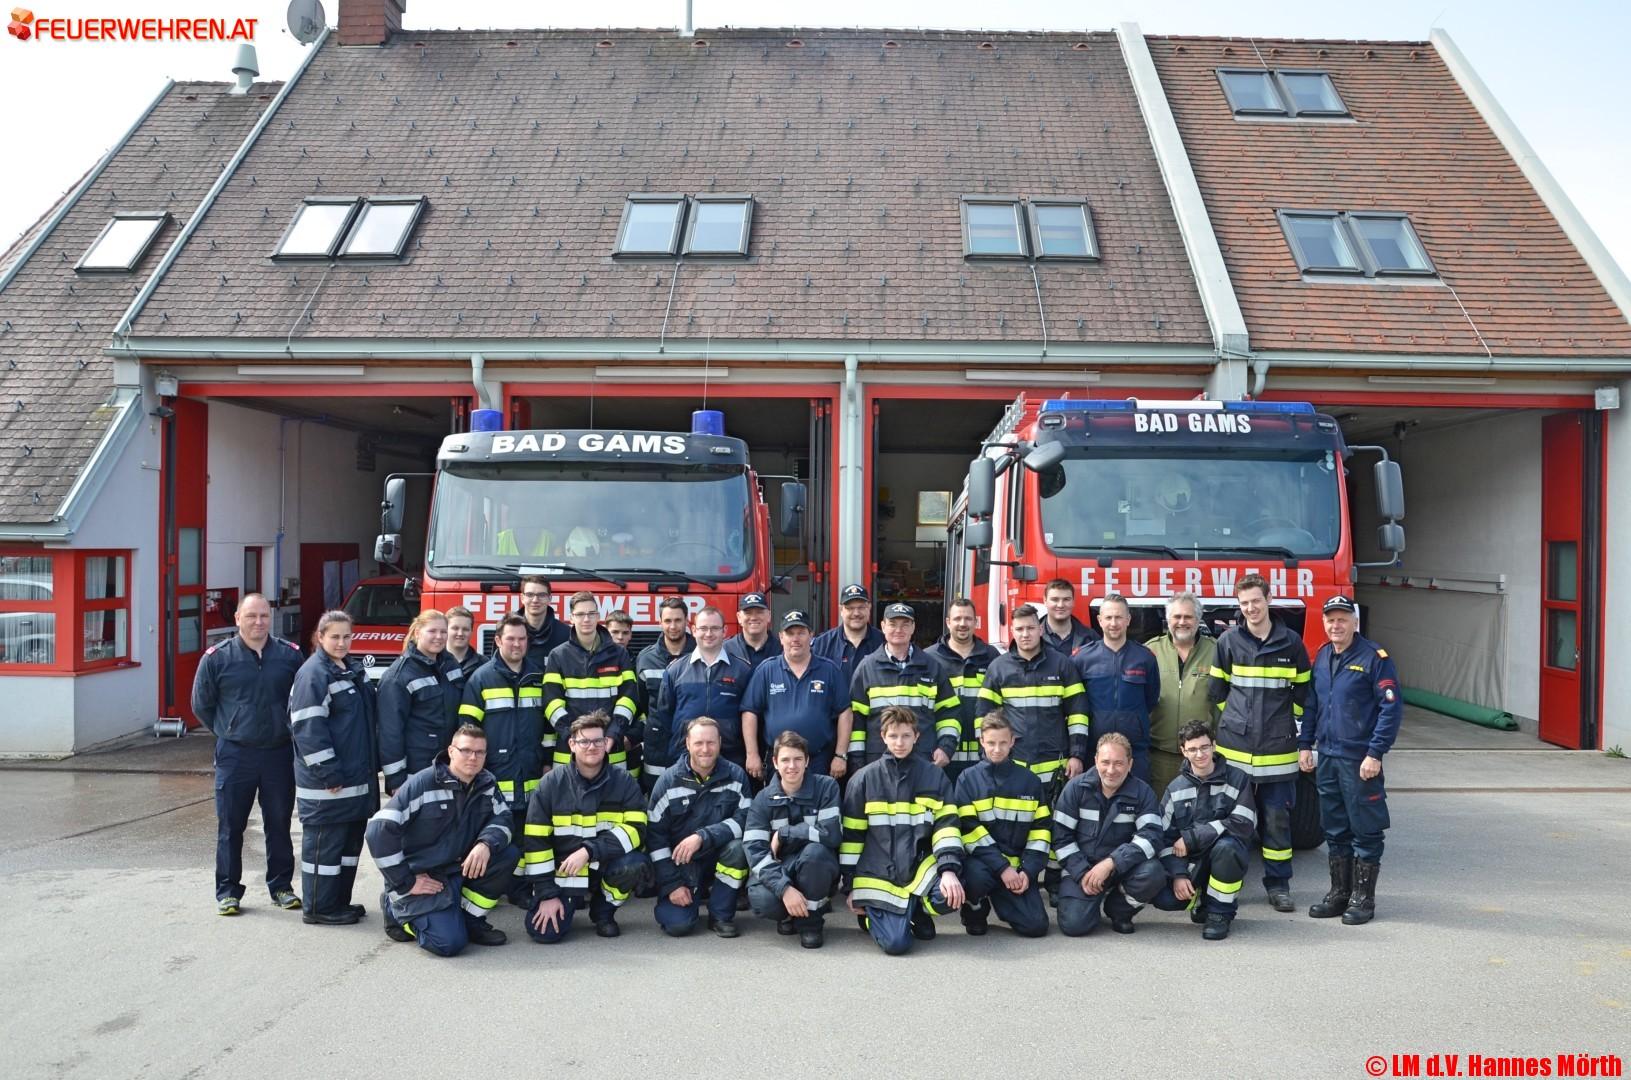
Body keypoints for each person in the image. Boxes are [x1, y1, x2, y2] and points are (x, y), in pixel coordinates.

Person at [191, 592, 304, 916]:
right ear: (238, 618)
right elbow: (202, 705)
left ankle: (281, 887)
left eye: (264, 616)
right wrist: (230, 729)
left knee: (279, 824)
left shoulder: (289, 656)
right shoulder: (217, 658)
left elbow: (301, 699)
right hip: (235, 755)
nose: (258, 622)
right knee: (230, 826)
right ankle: (228, 892)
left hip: (278, 754)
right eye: (251, 616)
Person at [1207, 573, 1311, 913]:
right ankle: (1226, 883)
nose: (1250, 608)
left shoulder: (1291, 643)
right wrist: (1236, 719)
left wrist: (1286, 724)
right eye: (1244, 603)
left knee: (1277, 821)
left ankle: (1278, 885)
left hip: (1278, 750)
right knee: (1233, 821)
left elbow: (1303, 694)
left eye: (1255, 600)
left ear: (1269, 599)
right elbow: (1217, 691)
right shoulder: (1228, 642)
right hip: (1235, 751)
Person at [365, 724, 517, 954]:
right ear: (451, 751)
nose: (473, 757)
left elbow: (504, 818)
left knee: (507, 853)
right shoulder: (423, 783)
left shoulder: (486, 782)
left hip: (458, 867)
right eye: (466, 750)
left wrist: (485, 843)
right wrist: (406, 881)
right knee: (448, 943)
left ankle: (470, 919)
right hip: (424, 875)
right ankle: (394, 908)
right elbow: (378, 831)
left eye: (480, 752)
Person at [1299, 595, 1403, 926]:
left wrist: (1376, 753)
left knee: (1366, 829)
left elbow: (1391, 708)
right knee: (1335, 828)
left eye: (1343, 618)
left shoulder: (1375, 658)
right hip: (1328, 756)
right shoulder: (1323, 655)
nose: (1336, 624)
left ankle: (1363, 898)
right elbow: (1313, 704)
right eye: (1330, 619)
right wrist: (1305, 744)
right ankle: (1339, 893)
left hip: (1360, 760)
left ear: (1355, 622)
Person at [840, 706, 965, 955]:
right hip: (877, 874)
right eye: (894, 736)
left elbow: (947, 826)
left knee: (952, 893)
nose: (900, 742)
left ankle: (913, 909)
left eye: (906, 736)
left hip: (918, 869)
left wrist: (949, 871)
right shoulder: (863, 779)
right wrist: (851, 886)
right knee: (897, 945)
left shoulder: (934, 777)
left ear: (916, 737)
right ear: (883, 736)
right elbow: (852, 839)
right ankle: (871, 917)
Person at [522, 711, 652, 942]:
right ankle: (569, 900)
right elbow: (536, 843)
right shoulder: (550, 784)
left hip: (604, 862)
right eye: (584, 741)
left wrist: (589, 851)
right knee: (544, 934)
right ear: (571, 744)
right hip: (565, 871)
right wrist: (546, 894)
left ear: (606, 743)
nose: (592, 747)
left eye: (598, 741)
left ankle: (603, 912)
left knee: (635, 864)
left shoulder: (623, 781)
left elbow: (636, 829)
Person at [288, 610, 380, 926]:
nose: (341, 643)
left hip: (353, 781)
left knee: (346, 848)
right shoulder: (314, 674)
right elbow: (308, 728)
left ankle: (338, 902)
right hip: (329, 783)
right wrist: (328, 771)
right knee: (324, 850)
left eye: (346, 636)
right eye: (335, 637)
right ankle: (318, 907)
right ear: (320, 637)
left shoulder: (349, 670)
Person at [458, 614, 548, 899]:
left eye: (522, 638)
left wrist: (546, 761)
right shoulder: (481, 679)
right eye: (510, 638)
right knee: (495, 829)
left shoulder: (538, 676)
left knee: (527, 832)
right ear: (497, 641)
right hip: (496, 773)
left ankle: (520, 888)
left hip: (532, 771)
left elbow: (547, 726)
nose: (517, 644)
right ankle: (494, 885)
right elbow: (468, 730)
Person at [646, 717, 754, 938]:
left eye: (711, 742)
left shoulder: (736, 776)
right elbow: (655, 839)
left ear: (720, 743)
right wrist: (672, 884)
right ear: (687, 743)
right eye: (698, 743)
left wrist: (703, 837)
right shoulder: (668, 782)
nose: (705, 749)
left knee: (738, 848)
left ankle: (721, 914)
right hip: (682, 865)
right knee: (678, 926)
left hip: (720, 855)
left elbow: (746, 820)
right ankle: (687, 898)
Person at [1150, 721, 1257, 940]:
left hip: (1224, 853)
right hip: (1192, 861)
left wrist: (1192, 838)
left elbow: (1244, 822)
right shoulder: (1176, 788)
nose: (1200, 754)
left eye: (1204, 747)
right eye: (1192, 749)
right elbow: (1164, 837)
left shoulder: (1238, 778)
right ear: (1183, 752)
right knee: (1166, 899)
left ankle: (1220, 913)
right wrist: (1179, 875)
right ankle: (1202, 900)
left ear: (1214, 746)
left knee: (1227, 849)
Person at [1051, 733, 1165, 936]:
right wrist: (1083, 873)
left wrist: (1111, 863)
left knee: (1153, 873)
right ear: (1095, 761)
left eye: (1119, 763)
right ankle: (1088, 904)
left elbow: (1151, 837)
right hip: (1082, 869)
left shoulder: (1142, 793)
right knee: (1075, 926)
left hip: (1122, 868)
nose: (1111, 770)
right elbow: (1060, 838)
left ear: (1130, 764)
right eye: (1105, 762)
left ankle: (1119, 911)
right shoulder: (1075, 789)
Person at [952, 712, 1050, 938]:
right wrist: (1002, 868)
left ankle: (1002, 897)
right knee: (974, 877)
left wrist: (1029, 871)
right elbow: (969, 831)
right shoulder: (967, 779)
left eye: (1003, 743)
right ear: (982, 742)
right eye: (992, 743)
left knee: (1036, 927)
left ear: (1013, 741)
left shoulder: (1030, 781)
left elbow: (1041, 831)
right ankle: (975, 908)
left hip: (1017, 871)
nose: (997, 749)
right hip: (982, 865)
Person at [745, 731, 843, 948]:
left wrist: (785, 833)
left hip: (814, 867)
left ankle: (811, 923)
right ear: (775, 763)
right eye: (785, 760)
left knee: (815, 853)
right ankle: (790, 915)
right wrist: (784, 889)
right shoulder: (763, 799)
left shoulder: (826, 787)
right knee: (763, 900)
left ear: (807, 761)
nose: (792, 766)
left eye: (798, 759)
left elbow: (832, 835)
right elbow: (755, 851)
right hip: (780, 869)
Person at [847, 603, 960, 773]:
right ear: (883, 626)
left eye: (905, 624)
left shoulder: (932, 667)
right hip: (877, 763)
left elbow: (949, 713)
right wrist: (858, 764)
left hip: (924, 761)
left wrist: (946, 748)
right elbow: (856, 721)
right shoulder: (867, 668)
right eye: (893, 624)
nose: (898, 630)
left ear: (913, 627)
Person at [742, 610, 851, 782]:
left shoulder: (829, 670)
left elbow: (845, 712)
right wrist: (752, 754)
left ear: (811, 635)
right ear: (780, 637)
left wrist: (840, 755)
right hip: (779, 761)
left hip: (818, 760)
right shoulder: (766, 670)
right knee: (779, 807)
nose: (795, 638)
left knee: (818, 807)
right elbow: (750, 713)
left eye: (801, 633)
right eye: (790, 633)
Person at [646, 605, 754, 772]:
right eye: (703, 628)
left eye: (715, 628)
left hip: (730, 758)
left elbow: (750, 715)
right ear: (694, 630)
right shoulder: (675, 670)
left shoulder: (742, 670)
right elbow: (664, 714)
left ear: (724, 631)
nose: (709, 634)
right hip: (683, 759)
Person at [543, 591, 638, 772]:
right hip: (569, 752)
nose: (586, 619)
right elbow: (551, 703)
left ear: (598, 616)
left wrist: (612, 735)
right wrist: (574, 739)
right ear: (571, 618)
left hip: (611, 750)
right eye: (580, 614)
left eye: (591, 613)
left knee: (612, 800)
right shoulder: (558, 655)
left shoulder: (619, 654)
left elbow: (629, 699)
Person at [1072, 593, 1161, 784]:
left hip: (1135, 751)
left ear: (1128, 620)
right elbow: (1074, 704)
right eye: (1109, 617)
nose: (1114, 623)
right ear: (1099, 620)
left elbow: (1151, 699)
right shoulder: (1082, 659)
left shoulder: (1145, 657)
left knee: (1137, 803)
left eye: (1119, 617)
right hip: (1093, 751)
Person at [377, 610, 467, 796]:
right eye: (432, 631)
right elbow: (390, 733)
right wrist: (396, 780)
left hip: (450, 764)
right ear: (417, 632)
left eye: (443, 632)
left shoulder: (450, 665)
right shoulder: (398, 676)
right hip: (416, 769)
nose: (439, 637)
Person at [1146, 592, 1218, 800]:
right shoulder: (1150, 651)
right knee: (1162, 814)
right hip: (1160, 756)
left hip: (1201, 755)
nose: (1182, 622)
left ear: (1198, 620)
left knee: (1200, 813)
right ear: (1168, 620)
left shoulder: (1216, 651)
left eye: (1188, 617)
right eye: (1176, 617)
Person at [925, 596, 1001, 776]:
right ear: (948, 622)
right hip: (942, 755)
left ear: (976, 622)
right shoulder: (929, 659)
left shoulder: (992, 657)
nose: (962, 623)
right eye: (957, 618)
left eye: (968, 619)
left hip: (983, 755)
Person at [634, 598, 697, 794]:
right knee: (656, 796)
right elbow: (642, 701)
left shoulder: (700, 653)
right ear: (659, 622)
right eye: (668, 621)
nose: (673, 626)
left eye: (678, 620)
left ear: (687, 621)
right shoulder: (646, 658)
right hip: (657, 745)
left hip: (692, 741)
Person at [811, 583, 884, 690]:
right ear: (841, 610)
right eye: (850, 608)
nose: (856, 613)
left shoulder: (883, 643)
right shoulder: (821, 645)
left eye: (861, 607)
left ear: (869, 607)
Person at [515, 575, 569, 669]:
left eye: (541, 595)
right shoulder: (507, 632)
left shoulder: (566, 635)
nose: (535, 600)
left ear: (549, 599)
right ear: (522, 598)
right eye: (530, 595)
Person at [724, 592, 782, 675]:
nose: (754, 617)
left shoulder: (782, 648)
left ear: (769, 615)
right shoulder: (726, 650)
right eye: (748, 613)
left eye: (759, 612)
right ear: (739, 617)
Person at [1040, 578, 1099, 656]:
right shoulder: (1031, 636)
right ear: (1045, 601)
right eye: (1055, 600)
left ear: (1073, 601)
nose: (1060, 605)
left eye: (1066, 599)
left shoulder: (1091, 638)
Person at [444, 606, 487, 681]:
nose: (460, 633)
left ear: (471, 632)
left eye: (465, 629)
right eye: (455, 628)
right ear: (445, 629)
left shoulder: (484, 664)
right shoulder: (434, 662)